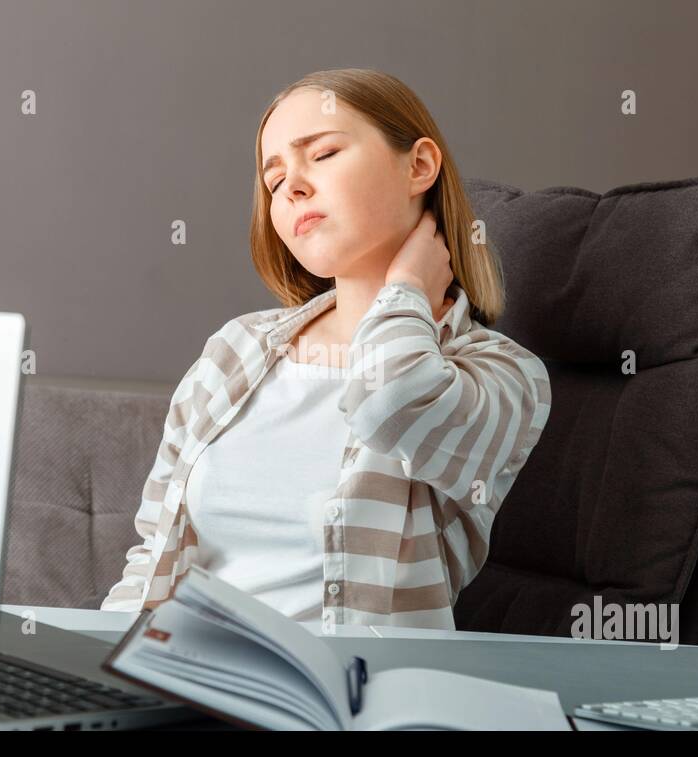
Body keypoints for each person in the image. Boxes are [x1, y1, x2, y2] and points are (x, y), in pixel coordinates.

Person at [100, 68, 551, 630]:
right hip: (187, 684)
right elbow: (150, 560)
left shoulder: (501, 374)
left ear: (419, 166)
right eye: (274, 179)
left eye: (324, 153)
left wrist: (406, 288)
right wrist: (96, 674)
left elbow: (389, 400)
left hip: (351, 703)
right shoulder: (233, 350)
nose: (291, 187)